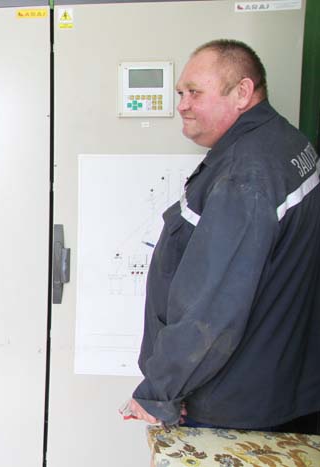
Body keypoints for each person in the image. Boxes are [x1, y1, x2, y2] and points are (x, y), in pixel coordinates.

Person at [127, 39, 320, 434]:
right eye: (180, 93)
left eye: (194, 92)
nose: (182, 105)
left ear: (242, 92)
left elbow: (213, 305)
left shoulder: (244, 175)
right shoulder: (286, 142)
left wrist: (160, 391)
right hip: (278, 386)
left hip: (233, 403)